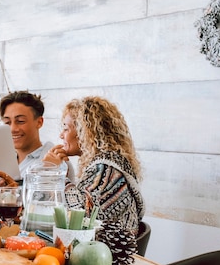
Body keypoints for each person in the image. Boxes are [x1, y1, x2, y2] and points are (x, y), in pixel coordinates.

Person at [44, 95, 145, 232]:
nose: (61, 135)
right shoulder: (109, 163)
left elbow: (80, 216)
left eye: (66, 129)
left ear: (84, 131)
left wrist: (55, 174)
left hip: (105, 250)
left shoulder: (106, 169)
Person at [0, 91, 73, 181]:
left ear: (39, 122)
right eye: (7, 122)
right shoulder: (2, 161)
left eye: (21, 121)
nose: (13, 129)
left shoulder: (56, 161)